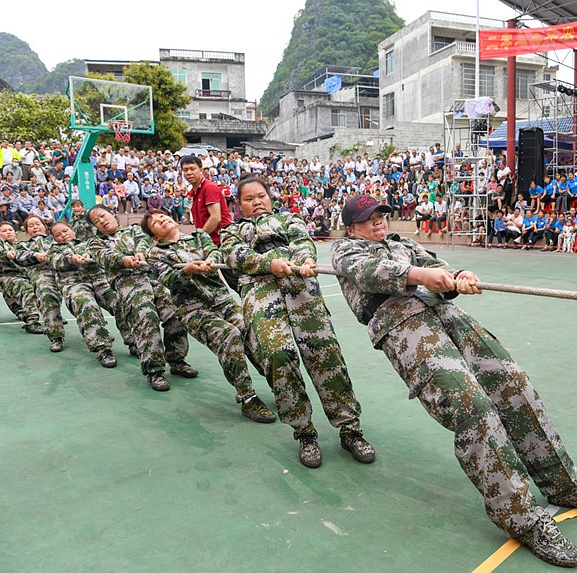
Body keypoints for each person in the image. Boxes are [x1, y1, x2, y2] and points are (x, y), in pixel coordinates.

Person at [331, 195, 577, 569]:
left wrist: (457, 278)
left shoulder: (402, 244)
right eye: (369, 218)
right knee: (472, 410)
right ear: (352, 226)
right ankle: (521, 518)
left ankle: (563, 484)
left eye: (382, 215)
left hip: (447, 314)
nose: (379, 222)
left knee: (515, 388)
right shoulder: (345, 249)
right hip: (404, 327)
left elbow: (439, 270)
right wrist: (421, 276)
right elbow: (372, 274)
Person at [221, 177, 374, 468]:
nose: (257, 202)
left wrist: (305, 260)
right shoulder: (232, 231)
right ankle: (304, 432)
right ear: (239, 205)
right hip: (260, 291)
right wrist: (269, 264)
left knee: (325, 354)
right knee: (279, 355)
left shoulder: (289, 219)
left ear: (270, 197)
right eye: (249, 198)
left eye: (261, 196)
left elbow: (303, 242)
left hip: (300, 286)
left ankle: (350, 429)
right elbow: (236, 256)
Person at [141, 211, 276, 419]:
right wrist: (186, 271)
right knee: (229, 336)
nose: (162, 220)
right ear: (155, 236)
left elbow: (215, 251)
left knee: (250, 333)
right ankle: (247, 398)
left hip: (222, 300)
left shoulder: (198, 236)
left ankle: (279, 387)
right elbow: (167, 278)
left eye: (163, 217)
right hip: (193, 309)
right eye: (156, 223)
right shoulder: (155, 253)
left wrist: (210, 261)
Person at [88, 205, 197, 391]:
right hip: (128, 281)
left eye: (102, 216)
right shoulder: (96, 243)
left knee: (174, 314)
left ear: (112, 213)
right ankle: (154, 370)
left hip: (153, 275)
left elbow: (144, 241)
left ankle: (177, 360)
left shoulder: (135, 229)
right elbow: (104, 257)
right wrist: (124, 260)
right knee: (145, 317)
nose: (102, 221)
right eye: (96, 221)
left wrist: (140, 252)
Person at [47, 222, 117, 368]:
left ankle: (133, 341)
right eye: (58, 235)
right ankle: (103, 348)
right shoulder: (54, 250)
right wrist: (71, 259)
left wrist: (89, 255)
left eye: (65, 231)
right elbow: (56, 261)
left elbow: (101, 253)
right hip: (74, 284)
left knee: (119, 303)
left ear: (72, 230)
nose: (63, 235)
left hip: (99, 280)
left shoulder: (89, 242)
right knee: (86, 304)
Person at [15, 215, 67, 352]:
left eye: (37, 224)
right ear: (26, 231)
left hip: (65, 273)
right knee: (46, 294)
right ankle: (56, 336)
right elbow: (19, 257)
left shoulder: (56, 239)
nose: (35, 227)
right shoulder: (24, 245)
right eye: (30, 226)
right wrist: (35, 255)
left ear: (44, 226)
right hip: (42, 274)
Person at [0, 222, 44, 334]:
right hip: (7, 277)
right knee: (26, 289)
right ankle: (32, 322)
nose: (8, 232)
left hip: (24, 276)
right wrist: (6, 254)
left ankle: (51, 316)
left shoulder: (21, 245)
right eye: (4, 231)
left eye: (10, 230)